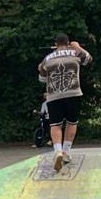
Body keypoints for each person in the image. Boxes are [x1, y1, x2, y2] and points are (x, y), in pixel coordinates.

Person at [38, 33, 92, 171]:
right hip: (73, 92)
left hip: (54, 95)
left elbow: (42, 78)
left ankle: (57, 151)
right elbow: (88, 59)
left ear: (56, 44)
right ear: (68, 43)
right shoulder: (75, 52)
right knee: (72, 122)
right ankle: (66, 152)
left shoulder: (47, 58)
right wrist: (78, 47)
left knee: (55, 125)